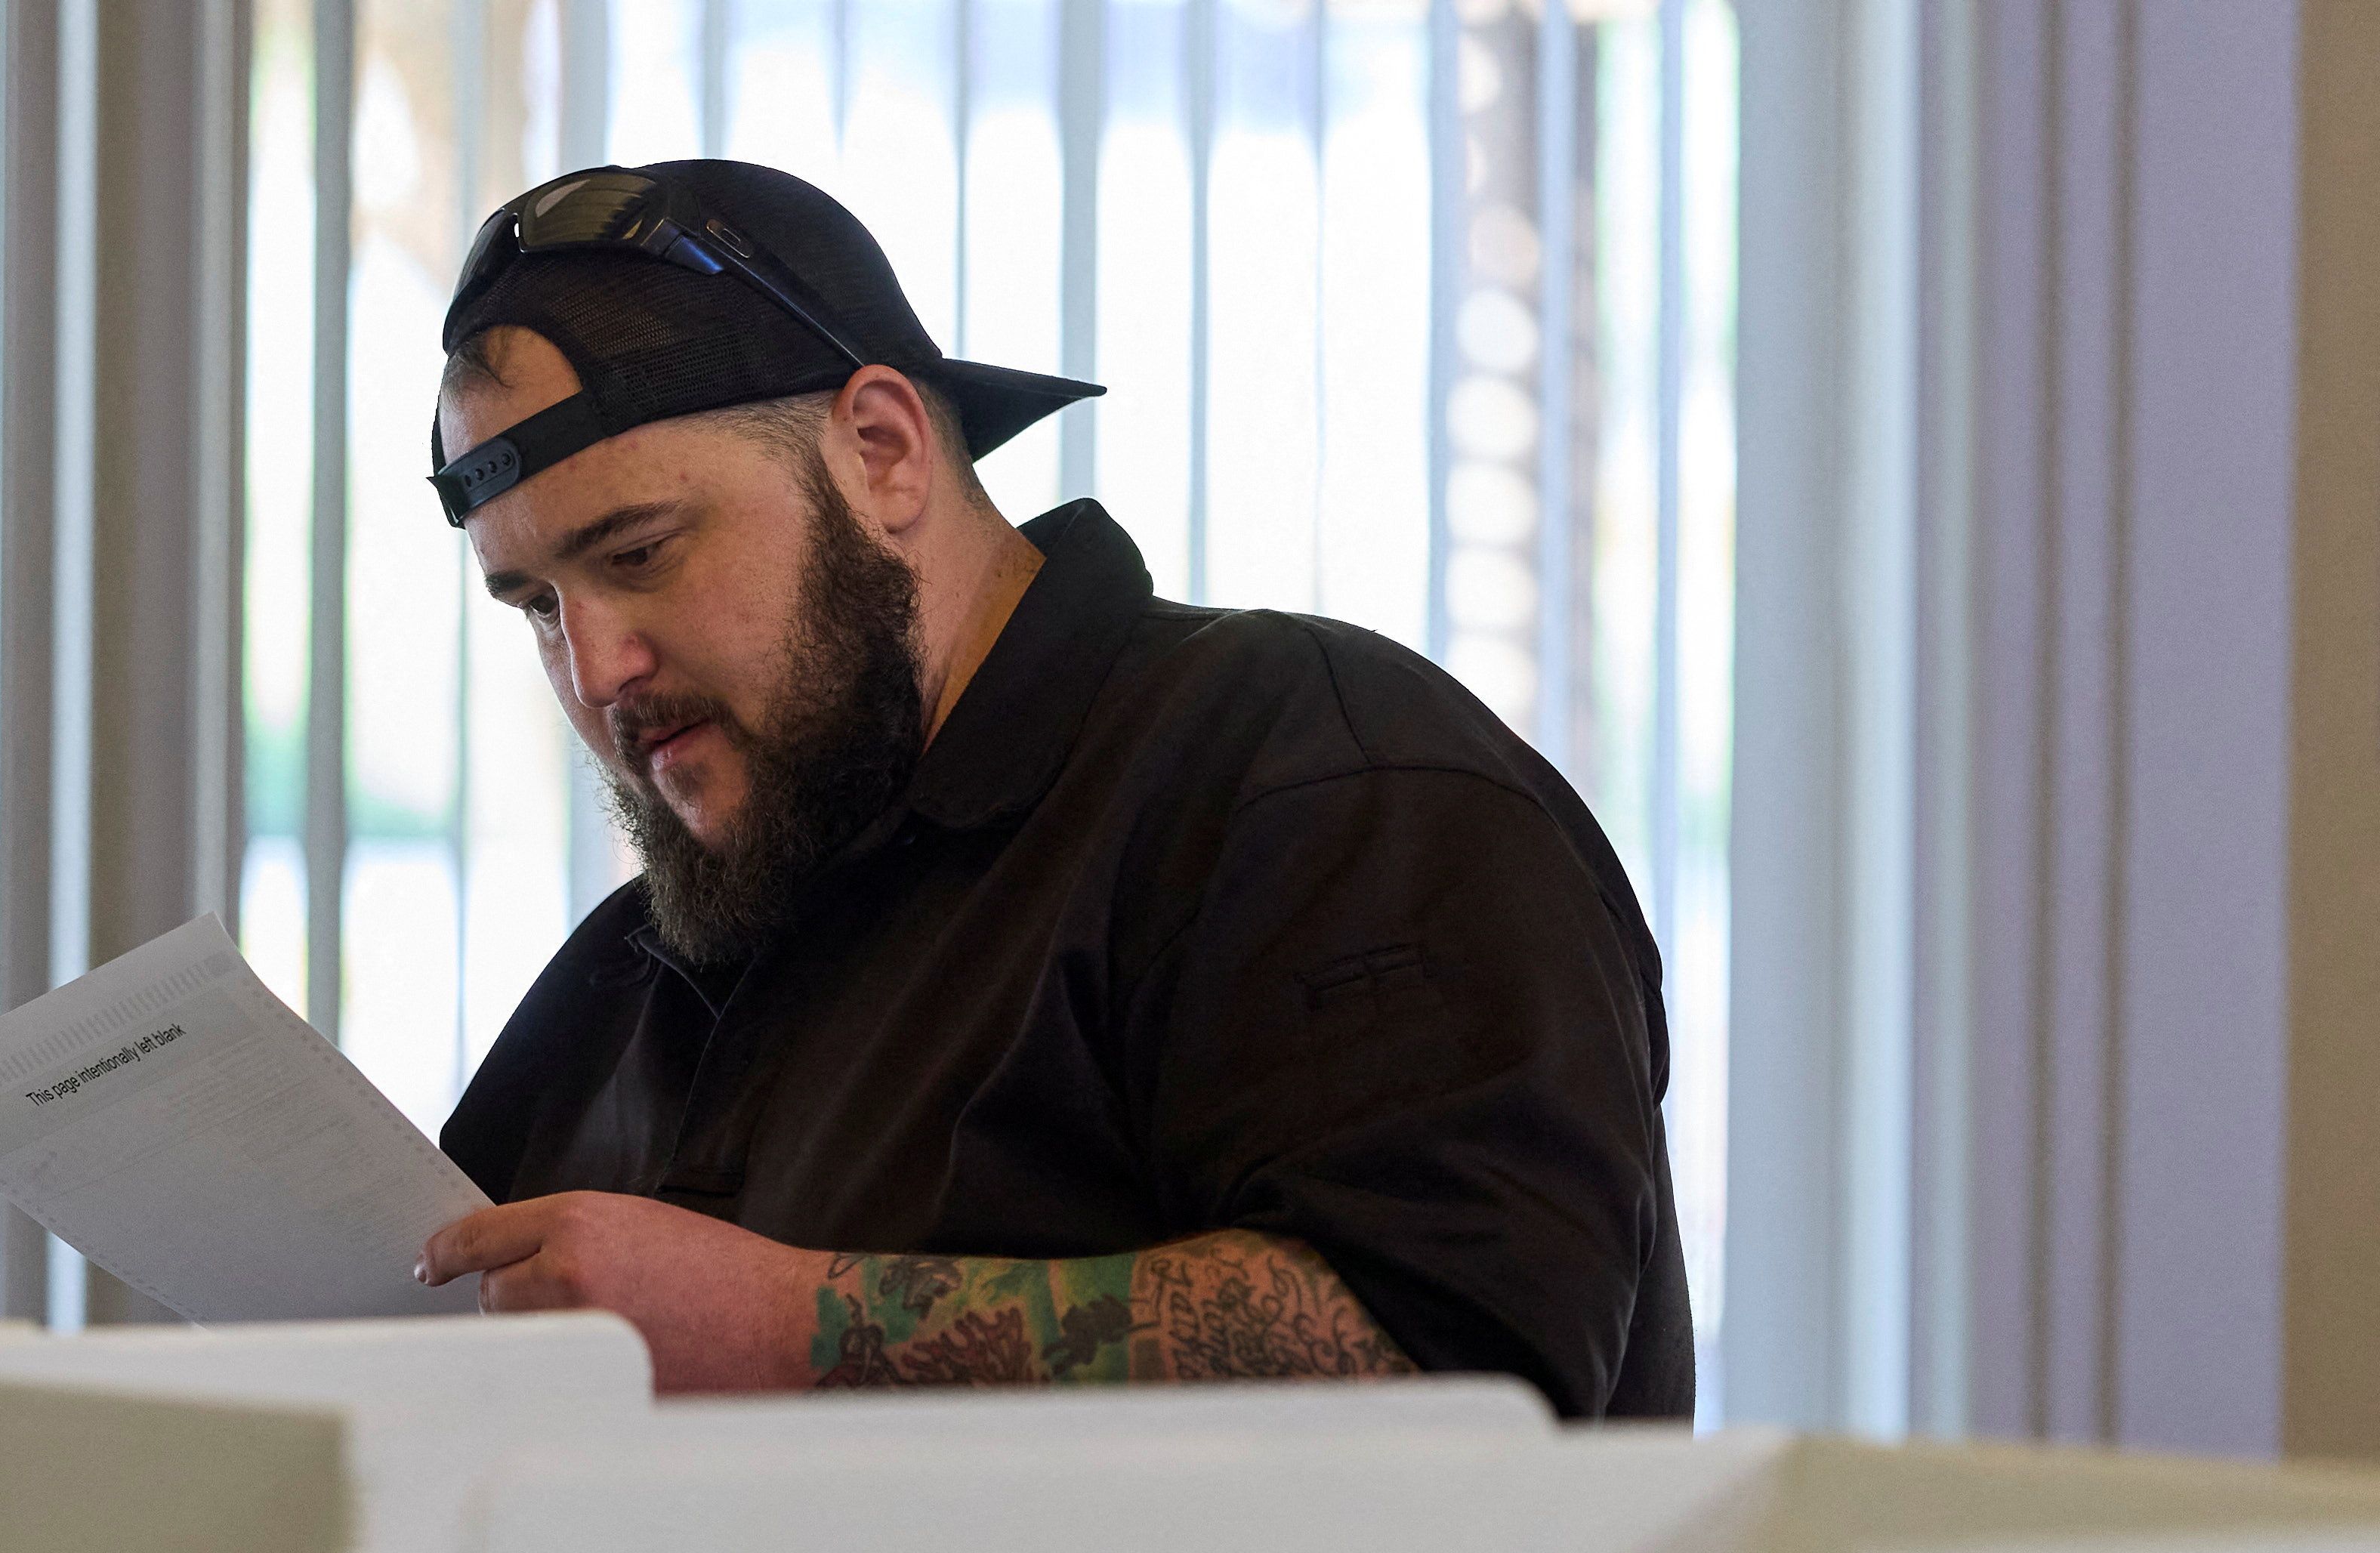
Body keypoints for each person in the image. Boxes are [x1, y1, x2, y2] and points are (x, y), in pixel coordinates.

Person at [409, 160, 1693, 1419]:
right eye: (535, 607)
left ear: (884, 449)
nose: (597, 669)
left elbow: (1456, 1355)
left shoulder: (1310, 776)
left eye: (640, 552)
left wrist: (789, 1328)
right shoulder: (637, 974)